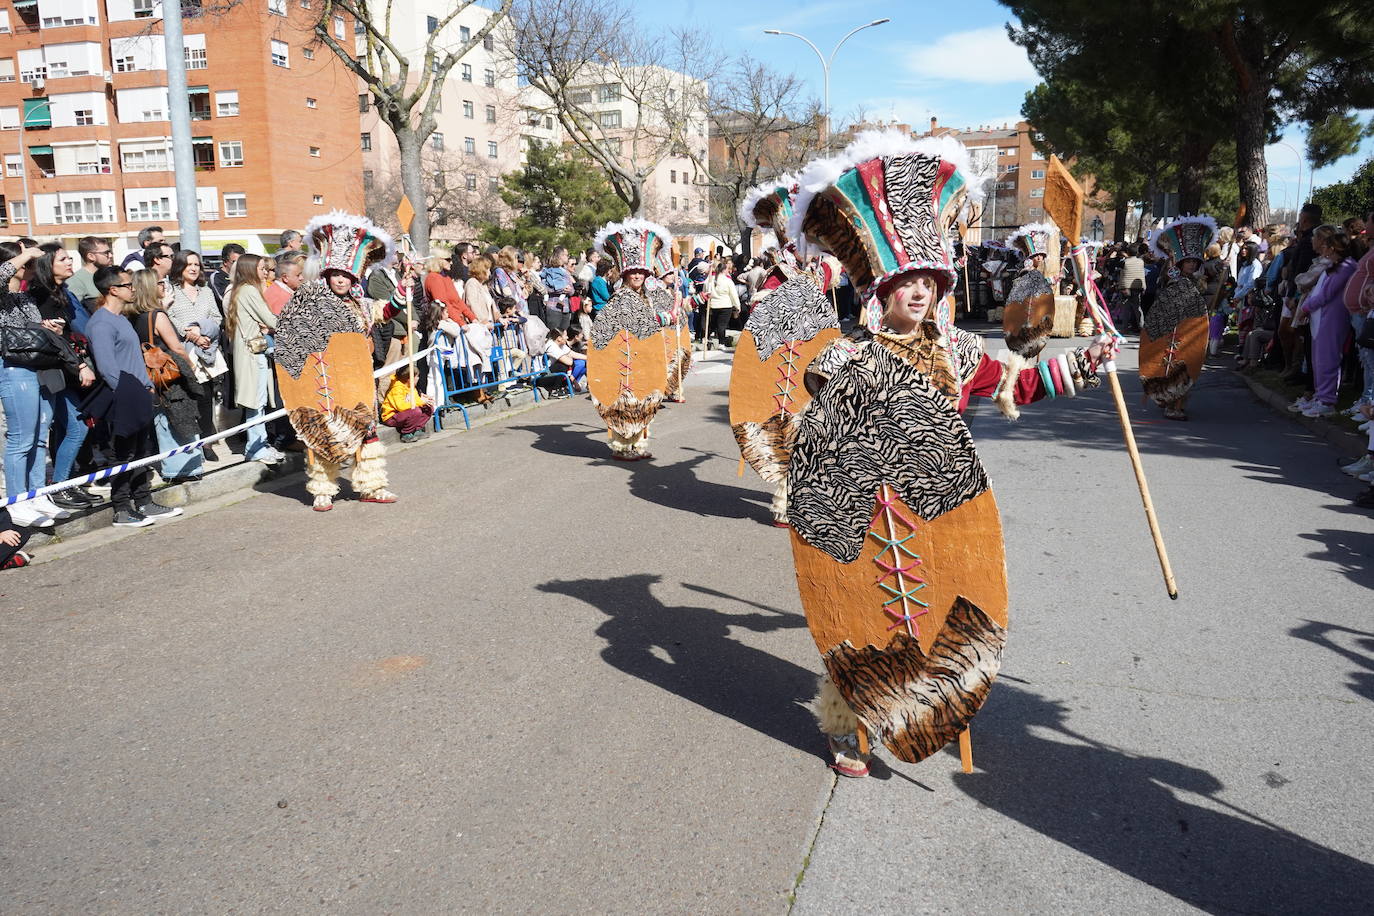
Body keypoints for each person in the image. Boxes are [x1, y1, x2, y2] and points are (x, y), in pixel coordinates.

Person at [784, 133, 1112, 778]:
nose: (920, 293)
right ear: (882, 286)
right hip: (860, 512)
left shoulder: (958, 350)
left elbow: (1013, 385)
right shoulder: (844, 354)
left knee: (941, 619)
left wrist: (1082, 363)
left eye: (929, 282)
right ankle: (849, 727)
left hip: (942, 506)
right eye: (907, 281)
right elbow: (821, 437)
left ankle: (940, 709)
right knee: (860, 625)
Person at [274, 212, 399, 511]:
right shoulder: (309, 302)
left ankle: (372, 486)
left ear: (353, 277)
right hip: (323, 380)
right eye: (336, 275)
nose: (341, 279)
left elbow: (386, 312)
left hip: (357, 381)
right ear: (328, 275)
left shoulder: (361, 305)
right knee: (320, 435)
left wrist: (406, 288)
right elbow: (293, 339)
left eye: (346, 275)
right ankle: (322, 490)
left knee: (367, 433)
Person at [0, 243, 96, 527]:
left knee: (40, 436)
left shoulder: (26, 298)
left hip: (38, 368)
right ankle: (17, 501)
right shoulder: (3, 297)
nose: (32, 268)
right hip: (13, 368)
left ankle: (37, 495)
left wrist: (48, 329)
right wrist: (27, 253)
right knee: (21, 438)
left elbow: (31, 331)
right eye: (28, 264)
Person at [85, 266, 182, 527]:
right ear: (112, 289)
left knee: (143, 451)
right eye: (128, 285)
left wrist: (145, 388)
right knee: (122, 455)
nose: (134, 289)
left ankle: (144, 501)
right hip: (124, 396)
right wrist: (130, 394)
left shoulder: (121, 318)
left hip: (139, 391)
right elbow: (107, 368)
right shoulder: (101, 323)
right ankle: (122, 509)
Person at [586, 219, 676, 460]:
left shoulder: (645, 295)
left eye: (641, 272)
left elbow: (648, 325)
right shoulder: (622, 297)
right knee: (626, 402)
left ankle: (637, 444)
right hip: (622, 362)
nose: (637, 275)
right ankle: (622, 447)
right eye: (633, 272)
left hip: (642, 359)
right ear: (625, 274)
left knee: (643, 403)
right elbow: (639, 323)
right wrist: (665, 318)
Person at [127, 269, 205, 482]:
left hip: (149, 374)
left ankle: (170, 468)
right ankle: (186, 469)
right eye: (160, 283)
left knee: (162, 419)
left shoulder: (132, 315)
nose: (164, 286)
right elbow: (176, 348)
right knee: (182, 416)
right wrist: (191, 367)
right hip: (168, 373)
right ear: (151, 288)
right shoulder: (157, 315)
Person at [1141, 216, 1217, 421]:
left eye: (1194, 261)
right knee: (1173, 367)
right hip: (1173, 331)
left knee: (1188, 368)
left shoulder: (1196, 282)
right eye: (1189, 261)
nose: (1192, 264)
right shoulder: (1173, 281)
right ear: (1181, 262)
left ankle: (1177, 403)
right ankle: (1172, 404)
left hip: (1190, 331)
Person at [1291, 228, 1358, 418]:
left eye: (1327, 246)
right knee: (1318, 360)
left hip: (1332, 319)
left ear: (1334, 248)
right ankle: (1320, 396)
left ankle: (1327, 400)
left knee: (1328, 359)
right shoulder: (1335, 266)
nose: (1324, 249)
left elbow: (1325, 294)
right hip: (1320, 318)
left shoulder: (1346, 267)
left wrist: (1305, 307)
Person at [224, 254, 284, 465]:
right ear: (250, 269)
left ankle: (260, 444)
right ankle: (256, 447)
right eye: (261, 268)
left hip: (248, 351)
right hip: (252, 353)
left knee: (256, 401)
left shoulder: (238, 290)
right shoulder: (249, 290)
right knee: (255, 402)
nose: (265, 272)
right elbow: (270, 319)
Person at [379, 364, 434, 442]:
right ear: (409, 378)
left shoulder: (412, 387)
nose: (418, 378)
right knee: (416, 411)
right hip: (391, 417)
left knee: (428, 407)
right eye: (417, 376)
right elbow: (401, 406)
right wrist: (421, 402)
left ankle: (417, 429)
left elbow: (416, 400)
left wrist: (425, 400)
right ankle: (407, 433)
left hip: (404, 414)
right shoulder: (396, 389)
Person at [67, 236, 114, 314]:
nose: (110, 256)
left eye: (110, 252)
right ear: (91, 256)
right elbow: (75, 313)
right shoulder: (76, 281)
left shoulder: (110, 275)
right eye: (106, 253)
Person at [704, 257, 740, 349]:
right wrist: (737, 305)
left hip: (713, 304)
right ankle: (721, 343)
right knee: (722, 325)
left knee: (713, 323)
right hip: (725, 305)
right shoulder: (727, 281)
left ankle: (706, 338)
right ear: (724, 270)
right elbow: (733, 295)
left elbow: (705, 291)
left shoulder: (709, 280)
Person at [540, 247, 575, 333]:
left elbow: (572, 290)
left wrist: (569, 290)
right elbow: (545, 287)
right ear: (561, 256)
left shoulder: (565, 271)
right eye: (566, 255)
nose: (568, 257)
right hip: (553, 307)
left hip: (566, 308)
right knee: (554, 334)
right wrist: (561, 289)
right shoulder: (548, 271)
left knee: (563, 335)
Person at [543, 327, 586, 392]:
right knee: (563, 365)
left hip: (553, 374)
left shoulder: (561, 344)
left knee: (582, 362)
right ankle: (555, 390)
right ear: (559, 338)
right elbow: (569, 362)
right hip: (544, 376)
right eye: (565, 336)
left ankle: (568, 386)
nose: (567, 338)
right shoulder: (551, 346)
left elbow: (573, 354)